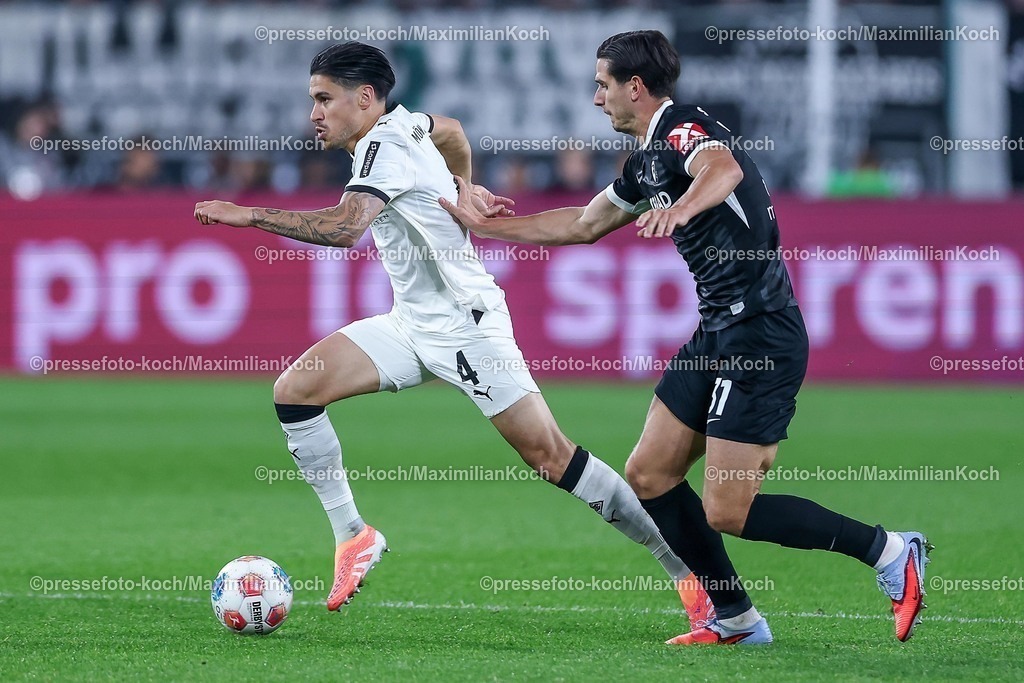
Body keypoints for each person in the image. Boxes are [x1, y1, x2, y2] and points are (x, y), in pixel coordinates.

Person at [194, 41, 712, 628]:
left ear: (365, 99)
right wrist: (464, 185)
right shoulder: (403, 124)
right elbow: (453, 131)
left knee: (550, 456)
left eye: (324, 99)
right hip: (412, 321)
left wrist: (250, 214)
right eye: (312, 99)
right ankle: (353, 536)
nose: (314, 113)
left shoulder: (385, 149)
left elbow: (343, 230)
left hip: (467, 326)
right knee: (295, 391)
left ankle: (685, 569)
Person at [441, 30, 931, 646]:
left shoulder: (682, 131)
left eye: (602, 84)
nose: (597, 99)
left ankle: (889, 550)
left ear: (635, 87)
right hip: (716, 332)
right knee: (649, 474)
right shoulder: (645, 160)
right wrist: (487, 226)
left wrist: (683, 208)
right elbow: (584, 223)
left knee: (730, 510)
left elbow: (720, 168)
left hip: (760, 335)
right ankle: (737, 620)